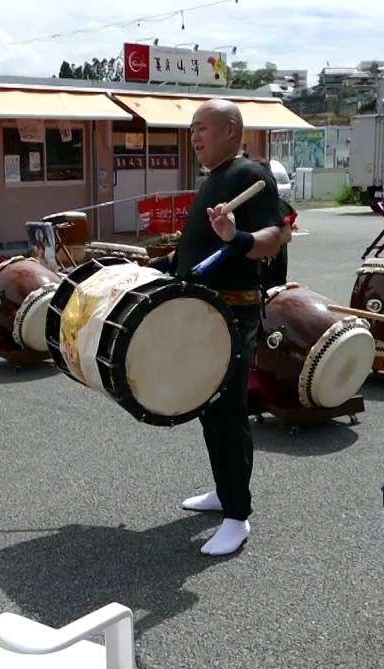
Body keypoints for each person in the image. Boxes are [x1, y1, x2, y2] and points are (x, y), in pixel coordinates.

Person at [155, 99, 288, 556]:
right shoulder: (215, 179)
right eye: (191, 130)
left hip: (234, 313)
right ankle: (224, 491)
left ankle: (238, 514)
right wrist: (161, 264)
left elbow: (274, 238)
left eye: (201, 129)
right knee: (210, 407)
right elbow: (198, 249)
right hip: (206, 310)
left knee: (229, 412)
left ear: (231, 129)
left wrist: (238, 238)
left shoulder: (251, 176)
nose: (194, 138)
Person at [256, 159, 296, 291]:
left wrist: (266, 245)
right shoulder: (252, 205)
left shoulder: (276, 204)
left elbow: (287, 235)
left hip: (274, 268)